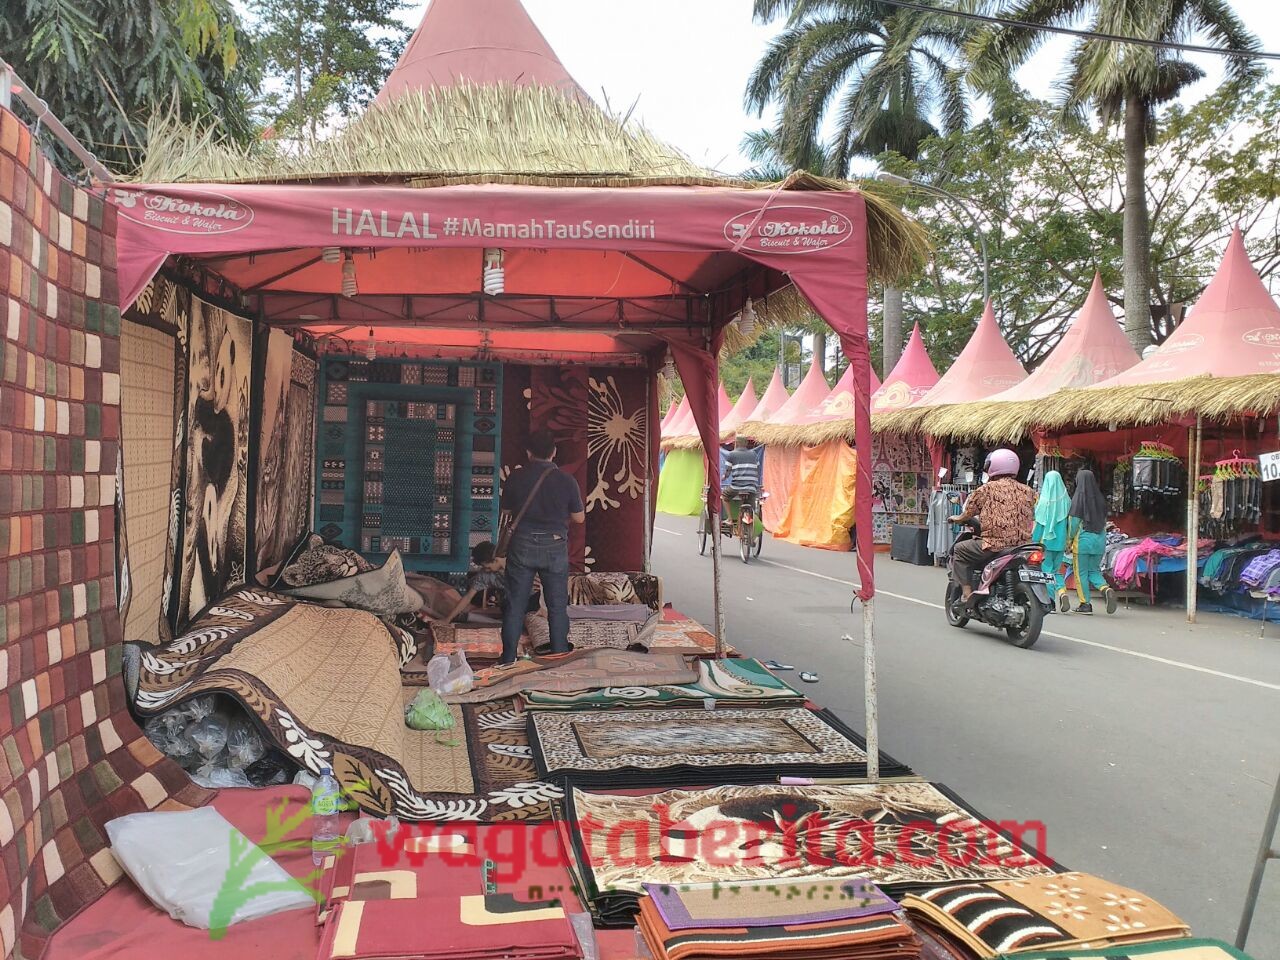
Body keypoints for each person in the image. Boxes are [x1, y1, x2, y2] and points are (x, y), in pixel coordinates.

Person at [498, 430, 585, 663]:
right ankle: (558, 656)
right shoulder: (567, 480)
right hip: (554, 547)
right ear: (554, 452)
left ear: (528, 452)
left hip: (522, 545)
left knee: (515, 605)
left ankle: (508, 659)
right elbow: (579, 518)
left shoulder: (516, 478)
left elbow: (506, 511)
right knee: (557, 606)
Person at [951, 448, 1037, 603]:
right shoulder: (1028, 491)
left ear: (993, 466)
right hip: (1022, 546)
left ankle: (966, 594)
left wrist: (957, 518)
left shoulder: (986, 489)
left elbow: (968, 512)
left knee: (959, 549)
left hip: (994, 544)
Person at [1066, 468, 1116, 615]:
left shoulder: (1078, 499)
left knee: (1081, 573)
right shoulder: (1100, 499)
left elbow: (1074, 523)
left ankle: (1085, 604)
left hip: (1083, 543)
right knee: (1094, 570)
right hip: (1099, 542)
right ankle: (1105, 589)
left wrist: (1069, 541)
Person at [1031, 470, 1071, 613]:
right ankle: (1062, 592)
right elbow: (1069, 524)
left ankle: (1051, 602)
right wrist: (1068, 541)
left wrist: (1034, 542)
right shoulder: (1066, 501)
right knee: (1056, 571)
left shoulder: (1043, 502)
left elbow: (1040, 525)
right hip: (1060, 543)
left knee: (1047, 573)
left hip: (1046, 544)